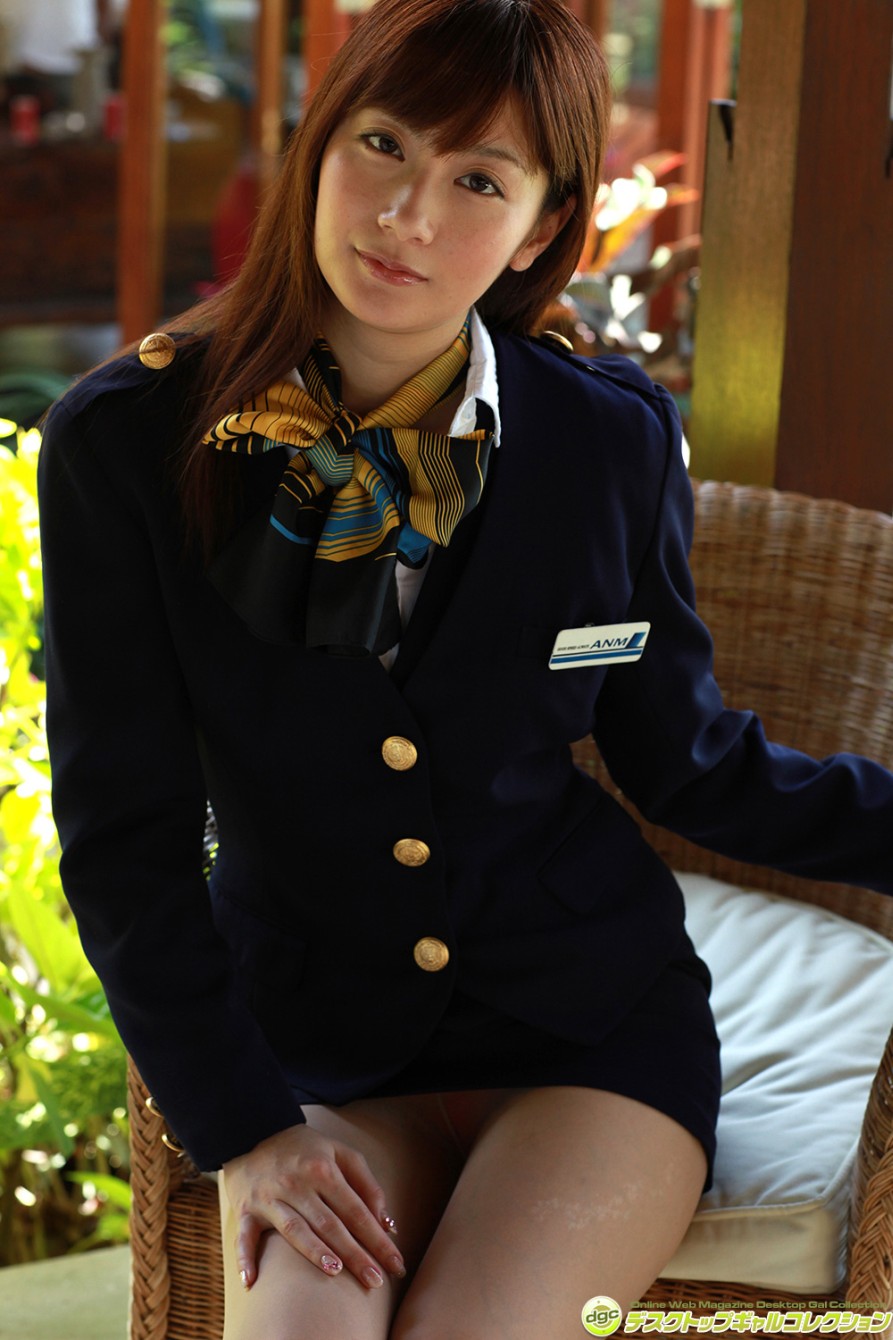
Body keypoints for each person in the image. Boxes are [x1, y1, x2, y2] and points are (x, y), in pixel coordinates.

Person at [37, 1, 893, 1337]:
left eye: (479, 181)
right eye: (383, 145)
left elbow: (691, 766)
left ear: (541, 228)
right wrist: (245, 1127)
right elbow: (124, 840)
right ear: (320, 144)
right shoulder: (131, 443)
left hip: (588, 1035)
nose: (407, 216)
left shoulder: (607, 443)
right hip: (309, 1045)